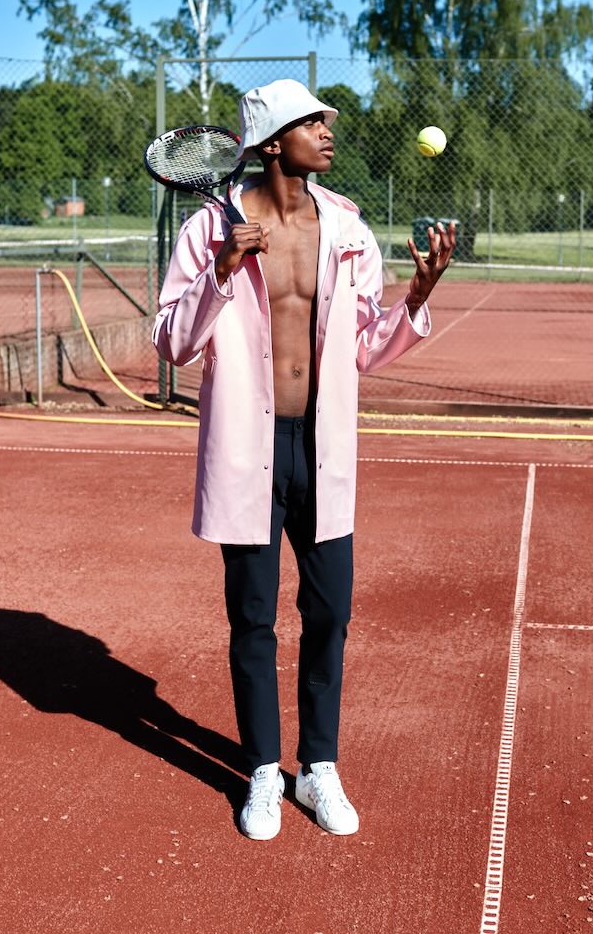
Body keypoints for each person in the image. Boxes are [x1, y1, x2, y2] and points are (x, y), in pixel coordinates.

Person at [151, 79, 455, 841]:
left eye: (325, 120)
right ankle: (262, 770)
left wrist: (416, 298)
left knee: (330, 615)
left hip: (323, 448)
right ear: (270, 142)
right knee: (252, 620)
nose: (327, 129)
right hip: (245, 450)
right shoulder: (208, 229)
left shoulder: (347, 226)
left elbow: (364, 347)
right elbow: (172, 344)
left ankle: (318, 768)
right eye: (312, 120)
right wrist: (222, 272)